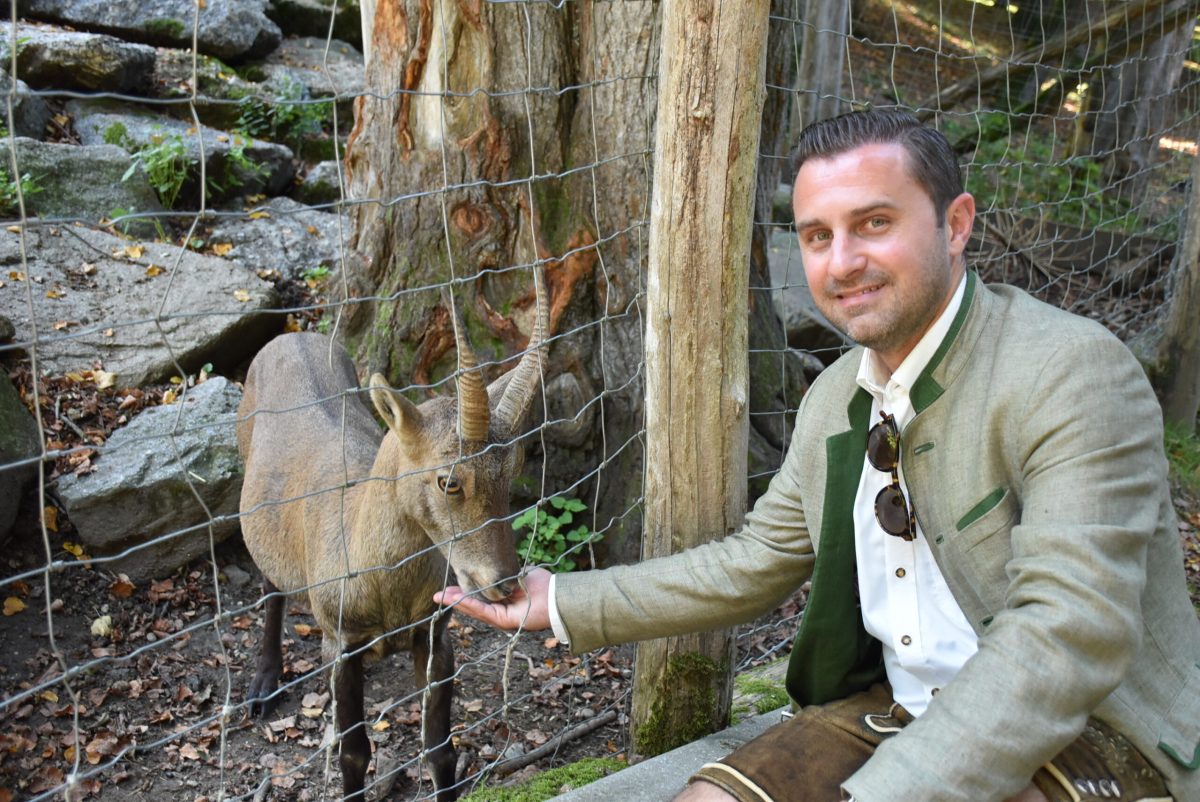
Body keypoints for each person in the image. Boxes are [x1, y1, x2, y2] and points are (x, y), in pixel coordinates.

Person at [435, 109, 1200, 802]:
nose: (842, 263)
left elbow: (1067, 632)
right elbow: (756, 559)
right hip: (900, 706)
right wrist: (560, 600)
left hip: (1094, 725)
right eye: (817, 235)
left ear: (956, 223)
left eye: (874, 223)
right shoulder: (836, 395)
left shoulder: (1071, 372)